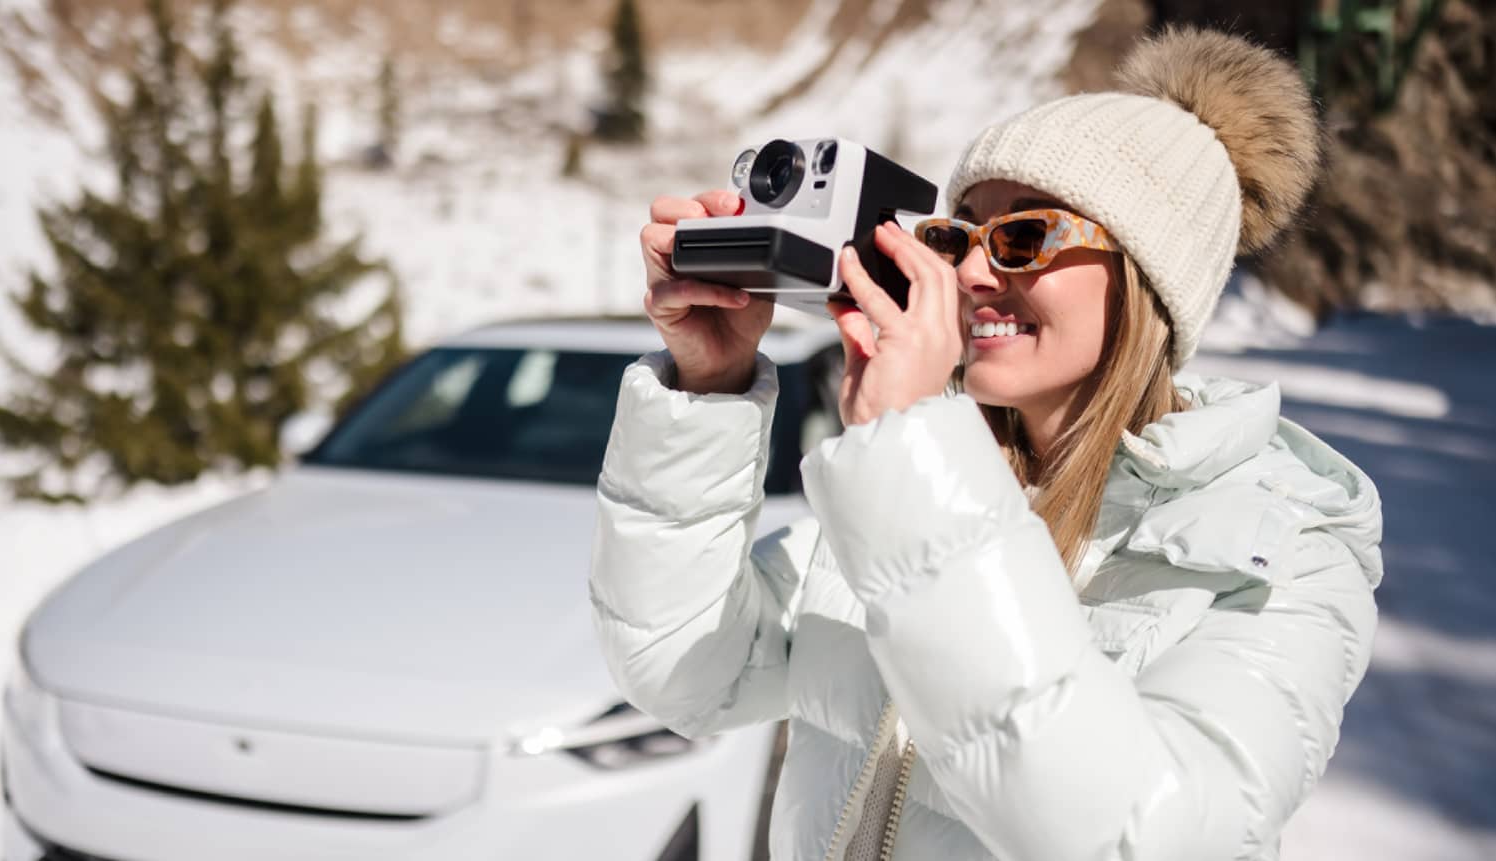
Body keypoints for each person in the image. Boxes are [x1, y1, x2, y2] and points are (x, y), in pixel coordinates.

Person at [589, 26, 1382, 861]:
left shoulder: (1284, 556)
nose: (971, 274)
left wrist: (911, 455)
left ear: (1150, 282)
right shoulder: (918, 481)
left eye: (1025, 237)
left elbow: (1139, 838)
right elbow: (682, 670)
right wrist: (709, 387)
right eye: (961, 235)